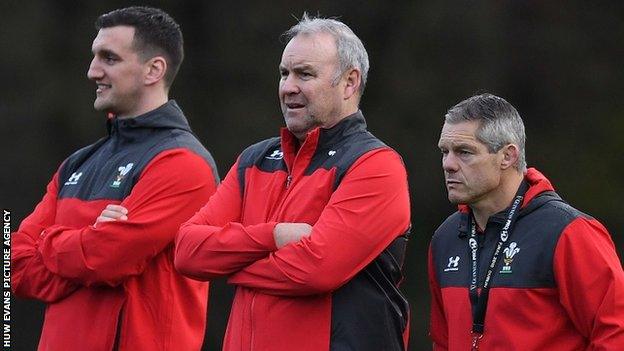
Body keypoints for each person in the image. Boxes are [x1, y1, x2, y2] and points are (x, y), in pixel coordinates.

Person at [174, 14, 411, 351]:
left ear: (349, 82)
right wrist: (274, 236)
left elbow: (317, 270)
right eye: (284, 74)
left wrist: (231, 265)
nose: (288, 87)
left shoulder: (375, 165)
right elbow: (187, 252)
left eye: (305, 74)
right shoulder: (253, 159)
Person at [11, 6, 219, 351]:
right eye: (94, 57)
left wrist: (48, 240)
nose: (93, 71)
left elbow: (104, 260)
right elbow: (14, 266)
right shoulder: (75, 164)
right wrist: (87, 237)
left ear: (154, 70)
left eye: (109, 58)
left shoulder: (183, 164)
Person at [429, 93, 624, 350]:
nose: (448, 164)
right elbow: (443, 341)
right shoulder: (446, 237)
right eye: (445, 152)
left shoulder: (568, 232)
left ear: (508, 156)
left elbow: (616, 332)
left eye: (464, 152)